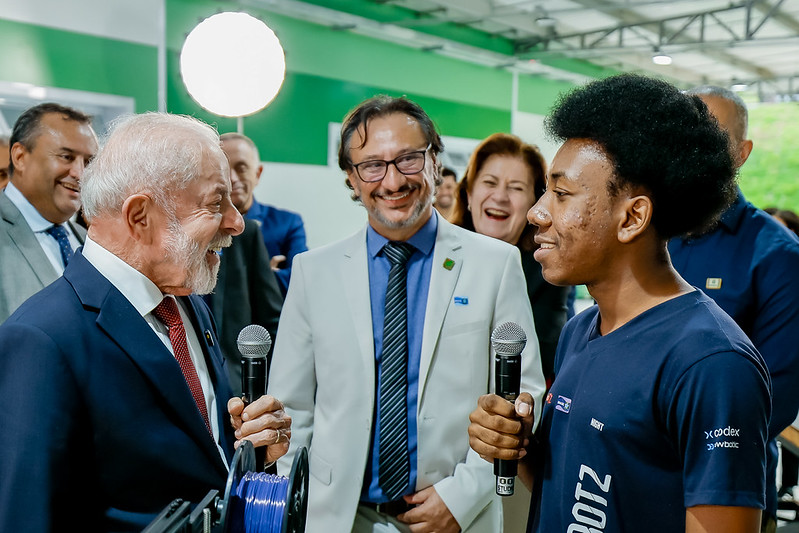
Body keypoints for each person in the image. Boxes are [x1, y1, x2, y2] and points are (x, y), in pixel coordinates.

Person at [468, 74, 771, 532]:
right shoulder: (581, 330)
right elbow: (571, 491)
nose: (536, 212)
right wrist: (518, 446)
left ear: (632, 217)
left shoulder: (711, 365)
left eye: (562, 193)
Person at [0, 112, 291, 532]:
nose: (237, 221)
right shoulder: (41, 341)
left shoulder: (185, 300)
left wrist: (249, 449)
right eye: (215, 203)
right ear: (140, 216)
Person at [268, 95, 546, 533]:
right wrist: (290, 508)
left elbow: (521, 397)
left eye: (408, 160)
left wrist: (462, 496)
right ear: (351, 179)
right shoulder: (313, 272)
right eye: (372, 166)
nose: (392, 181)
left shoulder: (494, 264)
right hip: (338, 517)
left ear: (435, 162)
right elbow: (291, 411)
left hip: (455, 516)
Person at [668, 85, 799, 532]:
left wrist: (663, 439)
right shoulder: (645, 231)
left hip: (725, 488)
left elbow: (774, 396)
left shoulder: (777, 255)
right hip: (632, 476)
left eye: (712, 137)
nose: (694, 149)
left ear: (741, 153)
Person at [450, 132, 569, 385]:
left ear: (534, 204)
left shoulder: (548, 273)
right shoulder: (435, 257)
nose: (500, 197)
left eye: (516, 188)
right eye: (490, 183)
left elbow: (542, 360)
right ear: (469, 194)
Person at [0, 102, 97, 322]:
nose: (80, 174)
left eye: (89, 162)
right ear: (20, 157)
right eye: (66, 157)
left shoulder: (90, 243)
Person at [214, 138, 286, 396]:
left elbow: (272, 320)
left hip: (238, 387)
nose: (232, 178)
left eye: (240, 167)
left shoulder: (247, 235)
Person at [220, 132, 307, 295]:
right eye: (223, 169)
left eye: (241, 168)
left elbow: (303, 279)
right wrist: (266, 273)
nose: (232, 178)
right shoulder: (203, 225)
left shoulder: (287, 223)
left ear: (257, 174)